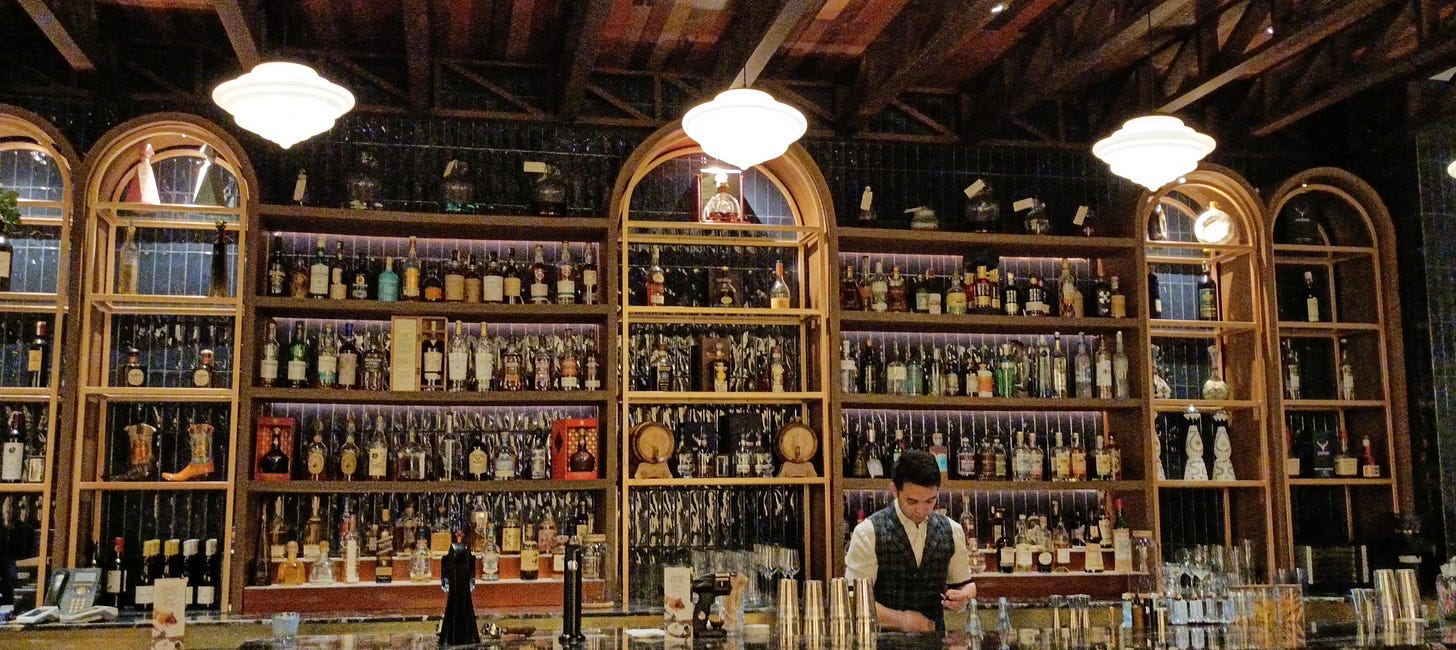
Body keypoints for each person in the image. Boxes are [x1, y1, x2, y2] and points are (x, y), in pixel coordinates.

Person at [844, 449, 975, 632]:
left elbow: (966, 584)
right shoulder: (868, 532)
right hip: (882, 644)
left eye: (930, 501)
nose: (922, 510)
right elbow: (854, 600)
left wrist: (963, 597)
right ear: (894, 490)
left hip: (935, 643)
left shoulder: (952, 530)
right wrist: (903, 620)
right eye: (912, 501)